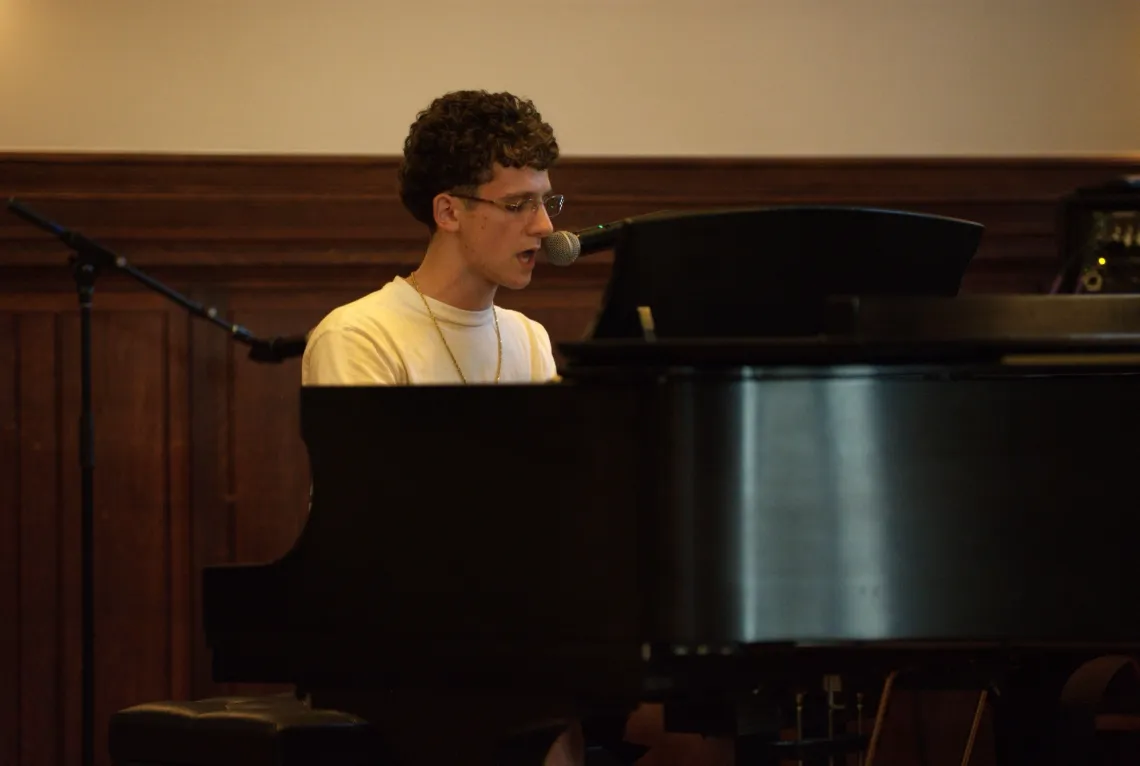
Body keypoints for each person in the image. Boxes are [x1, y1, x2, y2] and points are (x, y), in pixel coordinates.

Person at [301, 89, 562, 386]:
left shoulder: (529, 339)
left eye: (545, 203)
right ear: (449, 212)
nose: (544, 226)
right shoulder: (360, 337)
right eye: (517, 204)